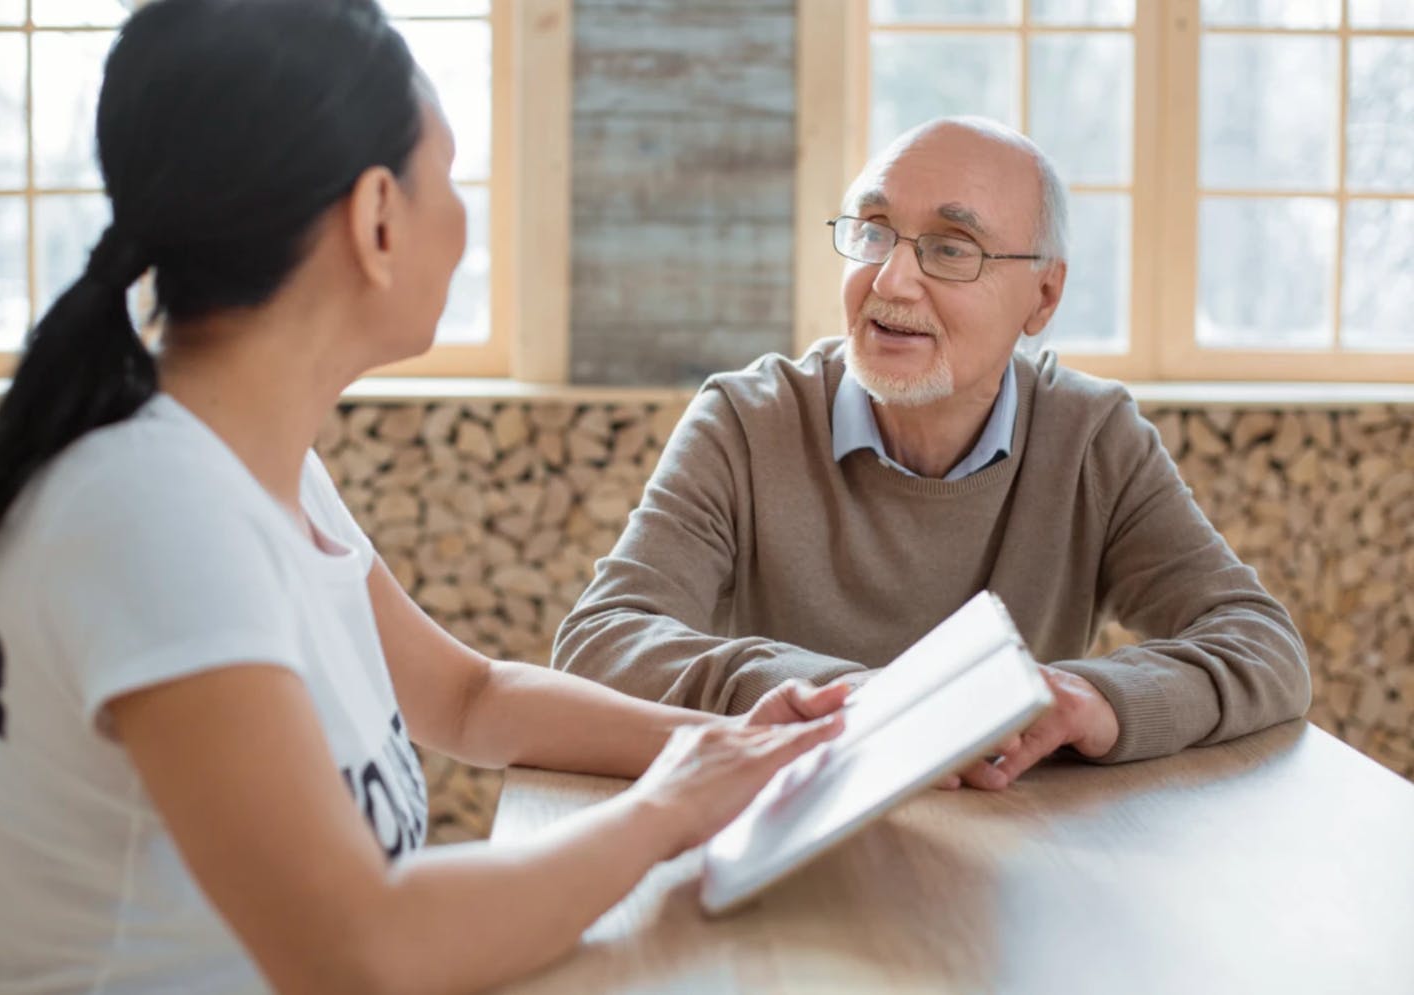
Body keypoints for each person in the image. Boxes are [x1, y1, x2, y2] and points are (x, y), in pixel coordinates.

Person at [0, 2, 849, 992]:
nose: (463, 222)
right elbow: (361, 949)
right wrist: (665, 811)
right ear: (375, 219)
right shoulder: (154, 512)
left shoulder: (237, 463)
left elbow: (470, 698)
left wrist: (725, 745)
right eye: (446, 178)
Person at [553, 117, 1312, 790]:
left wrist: (1097, 699)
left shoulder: (1091, 437)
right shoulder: (746, 421)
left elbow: (1261, 642)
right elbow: (600, 641)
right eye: (874, 230)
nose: (891, 279)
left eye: (951, 248)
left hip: (1010, 846)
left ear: (1044, 298)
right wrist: (855, 703)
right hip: (783, 831)